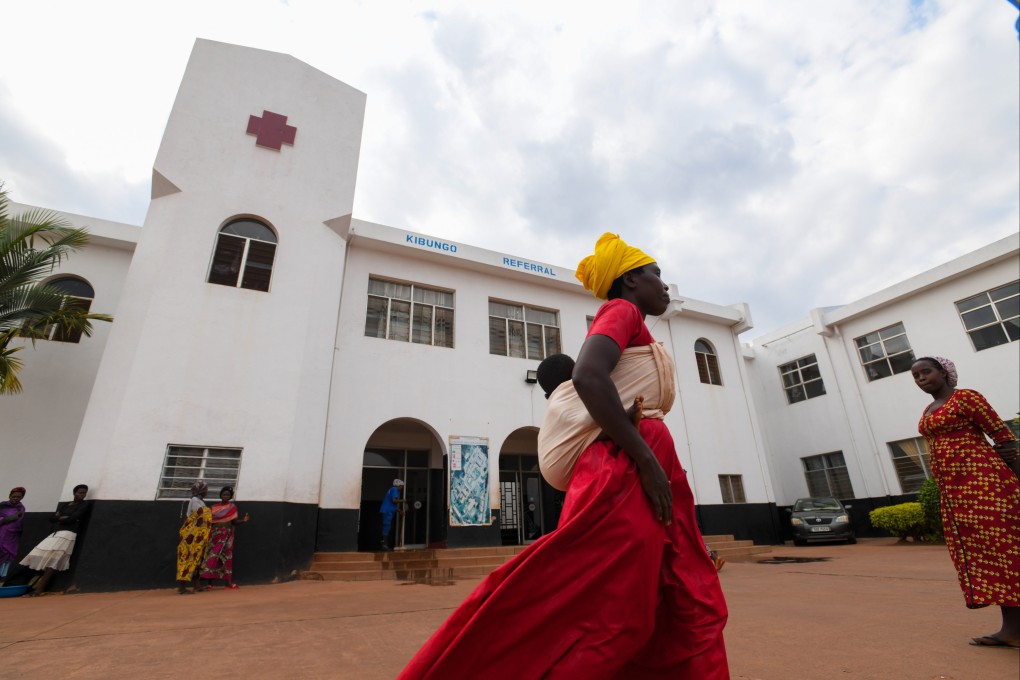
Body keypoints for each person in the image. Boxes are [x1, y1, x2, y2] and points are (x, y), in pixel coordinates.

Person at [399, 233, 728, 679]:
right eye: (656, 274)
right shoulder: (622, 310)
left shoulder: (634, 325)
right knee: (614, 615)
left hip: (638, 464)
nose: (665, 285)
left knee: (675, 599)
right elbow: (590, 375)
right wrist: (646, 462)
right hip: (628, 468)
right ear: (630, 280)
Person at [538, 352, 725, 573]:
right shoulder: (573, 391)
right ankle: (703, 555)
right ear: (574, 373)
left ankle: (705, 554)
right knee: (606, 425)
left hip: (561, 471)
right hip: (574, 464)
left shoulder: (554, 405)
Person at [911, 356, 1019, 649]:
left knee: (1007, 551)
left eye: (926, 371)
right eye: (916, 376)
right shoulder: (928, 409)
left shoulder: (967, 398)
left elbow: (1003, 437)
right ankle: (1012, 631)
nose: (921, 378)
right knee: (988, 557)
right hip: (956, 494)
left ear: (944, 373)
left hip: (985, 485)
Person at [18, 484, 92, 596]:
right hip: (56, 534)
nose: (82, 495)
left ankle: (39, 589)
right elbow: (52, 518)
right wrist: (62, 518)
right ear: (74, 493)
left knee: (53, 560)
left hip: (68, 534)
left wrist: (62, 517)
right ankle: (37, 586)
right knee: (40, 555)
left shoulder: (84, 505)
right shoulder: (66, 505)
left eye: (84, 493)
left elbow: (74, 517)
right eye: (80, 492)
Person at [199, 486, 250, 590]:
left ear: (230, 496)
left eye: (227, 495)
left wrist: (243, 521)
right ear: (220, 495)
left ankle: (228, 583)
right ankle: (209, 583)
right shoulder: (213, 508)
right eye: (223, 494)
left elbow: (234, 522)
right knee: (212, 557)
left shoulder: (232, 507)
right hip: (215, 536)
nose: (225, 496)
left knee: (227, 558)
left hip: (227, 536)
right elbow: (210, 523)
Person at [176, 481, 212, 594]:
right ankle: (182, 588)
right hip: (192, 535)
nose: (207, 491)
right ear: (201, 490)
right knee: (187, 559)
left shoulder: (200, 501)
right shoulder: (195, 500)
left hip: (199, 536)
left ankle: (197, 585)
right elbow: (199, 516)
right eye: (205, 489)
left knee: (197, 559)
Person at [0, 487, 27, 579]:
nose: (15, 498)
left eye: (18, 497)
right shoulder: (3, 506)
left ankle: (2, 576)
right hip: (1, 533)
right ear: (10, 496)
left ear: (21, 498)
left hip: (11, 538)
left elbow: (19, 523)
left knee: (7, 556)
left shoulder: (21, 508)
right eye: (14, 496)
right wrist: (9, 519)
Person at [380, 479, 405, 551]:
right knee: (386, 527)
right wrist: (402, 500)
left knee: (387, 527)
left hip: (387, 510)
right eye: (402, 486)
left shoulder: (391, 489)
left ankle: (384, 544)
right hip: (387, 511)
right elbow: (394, 501)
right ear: (399, 485)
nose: (402, 488)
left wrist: (399, 510)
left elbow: (391, 504)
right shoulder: (394, 489)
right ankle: (384, 545)